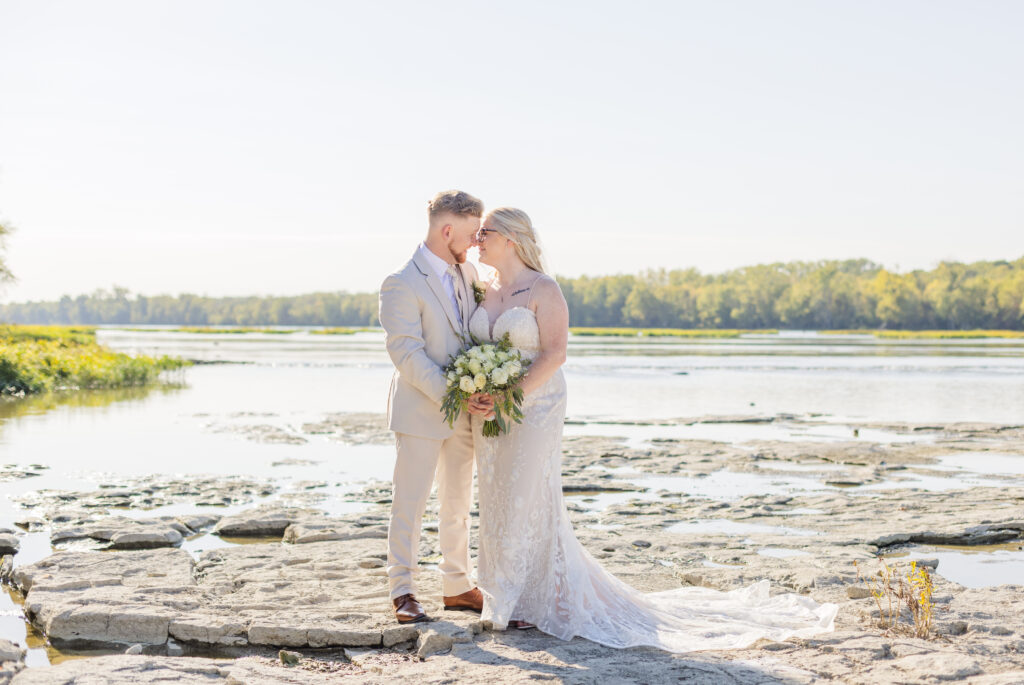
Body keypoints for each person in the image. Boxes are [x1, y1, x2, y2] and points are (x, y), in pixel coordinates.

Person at [469, 207, 838, 650]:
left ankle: (530, 601)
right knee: (495, 496)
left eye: (485, 232)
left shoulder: (544, 289)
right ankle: (500, 596)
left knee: (529, 493)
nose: (477, 240)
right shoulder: (481, 287)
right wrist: (478, 390)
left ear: (510, 238)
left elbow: (555, 354)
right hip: (489, 412)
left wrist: (513, 396)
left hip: (537, 404)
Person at [378, 190, 493, 624]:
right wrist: (455, 392)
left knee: (458, 502)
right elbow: (407, 355)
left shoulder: (467, 274)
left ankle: (457, 585)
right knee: (410, 502)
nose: (475, 243)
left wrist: (486, 387)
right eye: (469, 234)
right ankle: (402, 590)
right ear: (447, 230)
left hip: (463, 412)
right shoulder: (401, 283)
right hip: (421, 409)